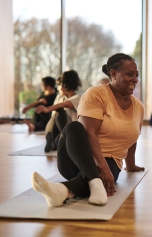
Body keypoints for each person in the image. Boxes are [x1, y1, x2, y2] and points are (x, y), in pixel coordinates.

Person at [31, 53, 145, 207]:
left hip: (111, 161)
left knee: (102, 172)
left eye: (136, 75)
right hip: (77, 158)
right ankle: (95, 180)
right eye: (130, 74)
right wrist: (102, 168)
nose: (135, 79)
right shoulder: (97, 94)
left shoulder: (138, 107)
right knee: (73, 126)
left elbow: (132, 137)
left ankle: (63, 191)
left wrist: (130, 165)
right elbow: (88, 133)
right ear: (113, 74)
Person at [35, 71, 82, 152]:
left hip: (70, 130)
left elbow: (66, 104)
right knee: (58, 113)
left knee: (60, 110)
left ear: (65, 85)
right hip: (56, 128)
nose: (57, 88)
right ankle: (55, 142)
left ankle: (55, 144)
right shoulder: (59, 97)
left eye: (59, 85)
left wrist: (47, 109)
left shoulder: (79, 97)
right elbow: (54, 115)